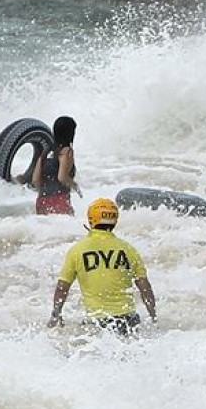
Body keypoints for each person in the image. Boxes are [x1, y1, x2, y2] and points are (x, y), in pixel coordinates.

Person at [48, 198, 156, 335]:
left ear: (91, 219)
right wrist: (153, 317)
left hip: (97, 322)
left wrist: (56, 314)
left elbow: (62, 288)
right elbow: (145, 288)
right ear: (115, 221)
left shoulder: (77, 251)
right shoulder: (129, 249)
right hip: (129, 320)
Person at [31, 115, 78, 215]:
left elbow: (35, 180)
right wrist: (75, 186)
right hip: (60, 200)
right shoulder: (66, 151)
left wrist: (46, 191)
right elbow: (62, 177)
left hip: (42, 201)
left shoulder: (45, 152)